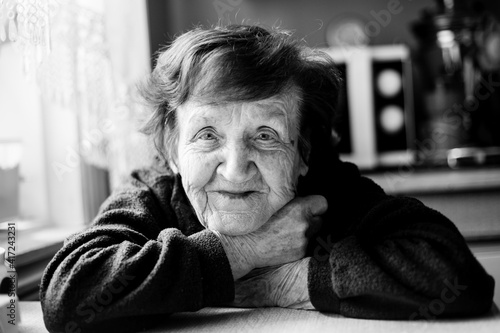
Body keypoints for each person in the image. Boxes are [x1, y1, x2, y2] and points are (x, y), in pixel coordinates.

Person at [40, 24, 494, 333]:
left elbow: (460, 277)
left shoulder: (328, 186)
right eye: (206, 134)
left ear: (302, 152)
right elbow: (68, 295)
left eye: (265, 135)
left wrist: (283, 282)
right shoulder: (151, 192)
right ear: (170, 151)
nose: (236, 168)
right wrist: (243, 251)